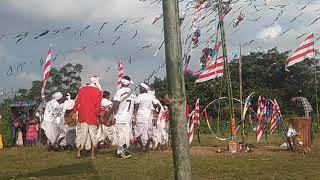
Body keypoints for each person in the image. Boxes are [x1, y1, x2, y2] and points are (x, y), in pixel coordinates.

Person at [106, 75, 135, 159]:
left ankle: (123, 153)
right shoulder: (133, 93)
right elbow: (136, 105)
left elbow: (115, 104)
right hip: (128, 118)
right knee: (126, 135)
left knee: (120, 136)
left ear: (121, 83)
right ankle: (122, 151)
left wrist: (109, 113)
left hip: (120, 117)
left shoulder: (119, 92)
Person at [73, 76, 103, 158]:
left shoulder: (82, 89)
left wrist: (75, 111)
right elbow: (98, 106)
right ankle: (92, 154)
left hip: (82, 115)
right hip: (92, 115)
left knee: (81, 133)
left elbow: (76, 102)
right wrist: (99, 115)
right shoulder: (98, 92)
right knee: (93, 134)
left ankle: (78, 153)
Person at [133, 82, 154, 153]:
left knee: (138, 132)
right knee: (149, 132)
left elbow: (136, 106)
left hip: (140, 115)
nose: (139, 89)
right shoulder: (151, 96)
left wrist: (134, 115)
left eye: (140, 88)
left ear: (144, 88)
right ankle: (146, 147)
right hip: (148, 115)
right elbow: (155, 104)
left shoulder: (139, 96)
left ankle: (142, 146)